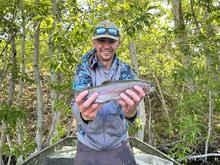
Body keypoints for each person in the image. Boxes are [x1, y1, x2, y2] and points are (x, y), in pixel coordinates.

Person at [71, 20, 147, 165]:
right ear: (94, 42)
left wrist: (131, 112)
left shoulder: (126, 70)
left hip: (119, 144)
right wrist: (83, 115)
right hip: (87, 145)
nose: (106, 46)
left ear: (118, 43)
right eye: (101, 40)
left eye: (111, 41)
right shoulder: (83, 68)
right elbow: (76, 103)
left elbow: (132, 112)